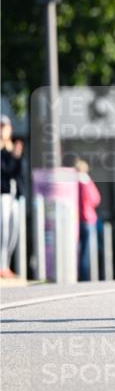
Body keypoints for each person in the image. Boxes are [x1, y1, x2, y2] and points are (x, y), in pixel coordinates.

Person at [1, 115, 24, 278]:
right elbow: (6, 171)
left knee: (13, 232)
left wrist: (16, 156)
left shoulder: (12, 149)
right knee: (3, 231)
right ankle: (1, 266)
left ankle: (6, 264)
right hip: (2, 195)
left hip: (15, 196)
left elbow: (18, 173)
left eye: (5, 127)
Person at [75, 157, 101, 281]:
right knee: (85, 251)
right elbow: (96, 199)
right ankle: (84, 277)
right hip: (87, 220)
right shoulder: (86, 182)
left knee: (75, 250)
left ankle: (75, 275)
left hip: (74, 221)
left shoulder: (72, 184)